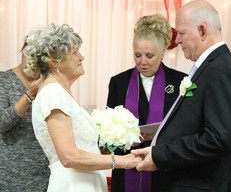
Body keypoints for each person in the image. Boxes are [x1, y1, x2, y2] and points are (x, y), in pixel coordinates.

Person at [132, 0, 231, 192]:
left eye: (181, 33)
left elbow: (218, 138)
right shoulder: (213, 66)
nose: (176, 41)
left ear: (202, 30)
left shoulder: (221, 69)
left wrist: (161, 155)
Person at [23, 23, 142, 192]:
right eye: (74, 52)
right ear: (54, 60)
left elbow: (80, 147)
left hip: (83, 182)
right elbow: (69, 156)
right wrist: (123, 161)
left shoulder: (60, 93)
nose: (81, 57)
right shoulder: (52, 94)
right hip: (73, 184)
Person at [106, 14, 187, 192]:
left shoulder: (181, 82)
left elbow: (186, 128)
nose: (143, 62)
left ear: (162, 53)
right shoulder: (119, 82)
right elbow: (108, 132)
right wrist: (122, 139)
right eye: (137, 55)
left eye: (149, 55)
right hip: (127, 165)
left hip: (166, 170)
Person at [0, 38, 50, 191]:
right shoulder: (3, 80)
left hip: (45, 170)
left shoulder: (49, 84)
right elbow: (2, 123)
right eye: (30, 56)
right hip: (12, 172)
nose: (32, 64)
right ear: (23, 52)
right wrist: (29, 96)